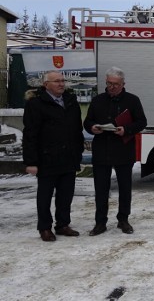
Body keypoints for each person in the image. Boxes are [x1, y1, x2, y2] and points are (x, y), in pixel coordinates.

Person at [84, 67, 147, 235]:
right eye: (109, 83)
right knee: (101, 189)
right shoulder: (98, 100)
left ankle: (123, 220)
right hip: (101, 151)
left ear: (123, 84)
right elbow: (87, 121)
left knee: (125, 188)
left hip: (123, 150)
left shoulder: (132, 100)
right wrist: (92, 127)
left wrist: (126, 129)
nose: (111, 87)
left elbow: (142, 122)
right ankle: (100, 222)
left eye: (115, 84)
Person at [22, 70, 85, 242]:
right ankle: (44, 227)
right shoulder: (36, 104)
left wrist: (78, 151)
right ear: (46, 85)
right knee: (45, 196)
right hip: (47, 159)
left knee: (66, 195)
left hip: (69, 157)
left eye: (63, 80)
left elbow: (77, 129)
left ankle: (63, 224)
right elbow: (30, 134)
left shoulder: (70, 101)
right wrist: (31, 161)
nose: (61, 84)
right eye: (56, 81)